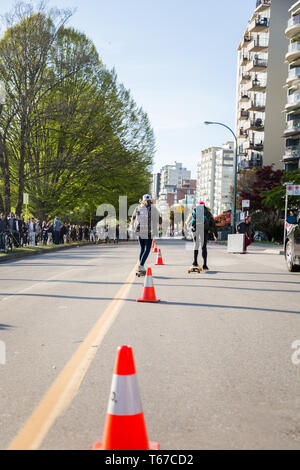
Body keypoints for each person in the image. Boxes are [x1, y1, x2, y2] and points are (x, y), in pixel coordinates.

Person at [130, 194, 161, 275]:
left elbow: (132, 218)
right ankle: (141, 265)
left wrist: (133, 228)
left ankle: (141, 267)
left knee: (142, 249)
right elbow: (159, 220)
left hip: (139, 231)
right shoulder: (153, 209)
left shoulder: (137, 207)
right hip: (148, 232)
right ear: (151, 200)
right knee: (147, 249)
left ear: (142, 200)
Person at [187, 201, 218, 271]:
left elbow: (188, 222)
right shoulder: (208, 212)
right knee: (204, 247)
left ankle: (195, 262)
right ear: (204, 205)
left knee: (196, 245)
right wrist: (215, 235)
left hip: (195, 230)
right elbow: (213, 224)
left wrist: (190, 228)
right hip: (204, 230)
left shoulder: (194, 211)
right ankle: (205, 265)